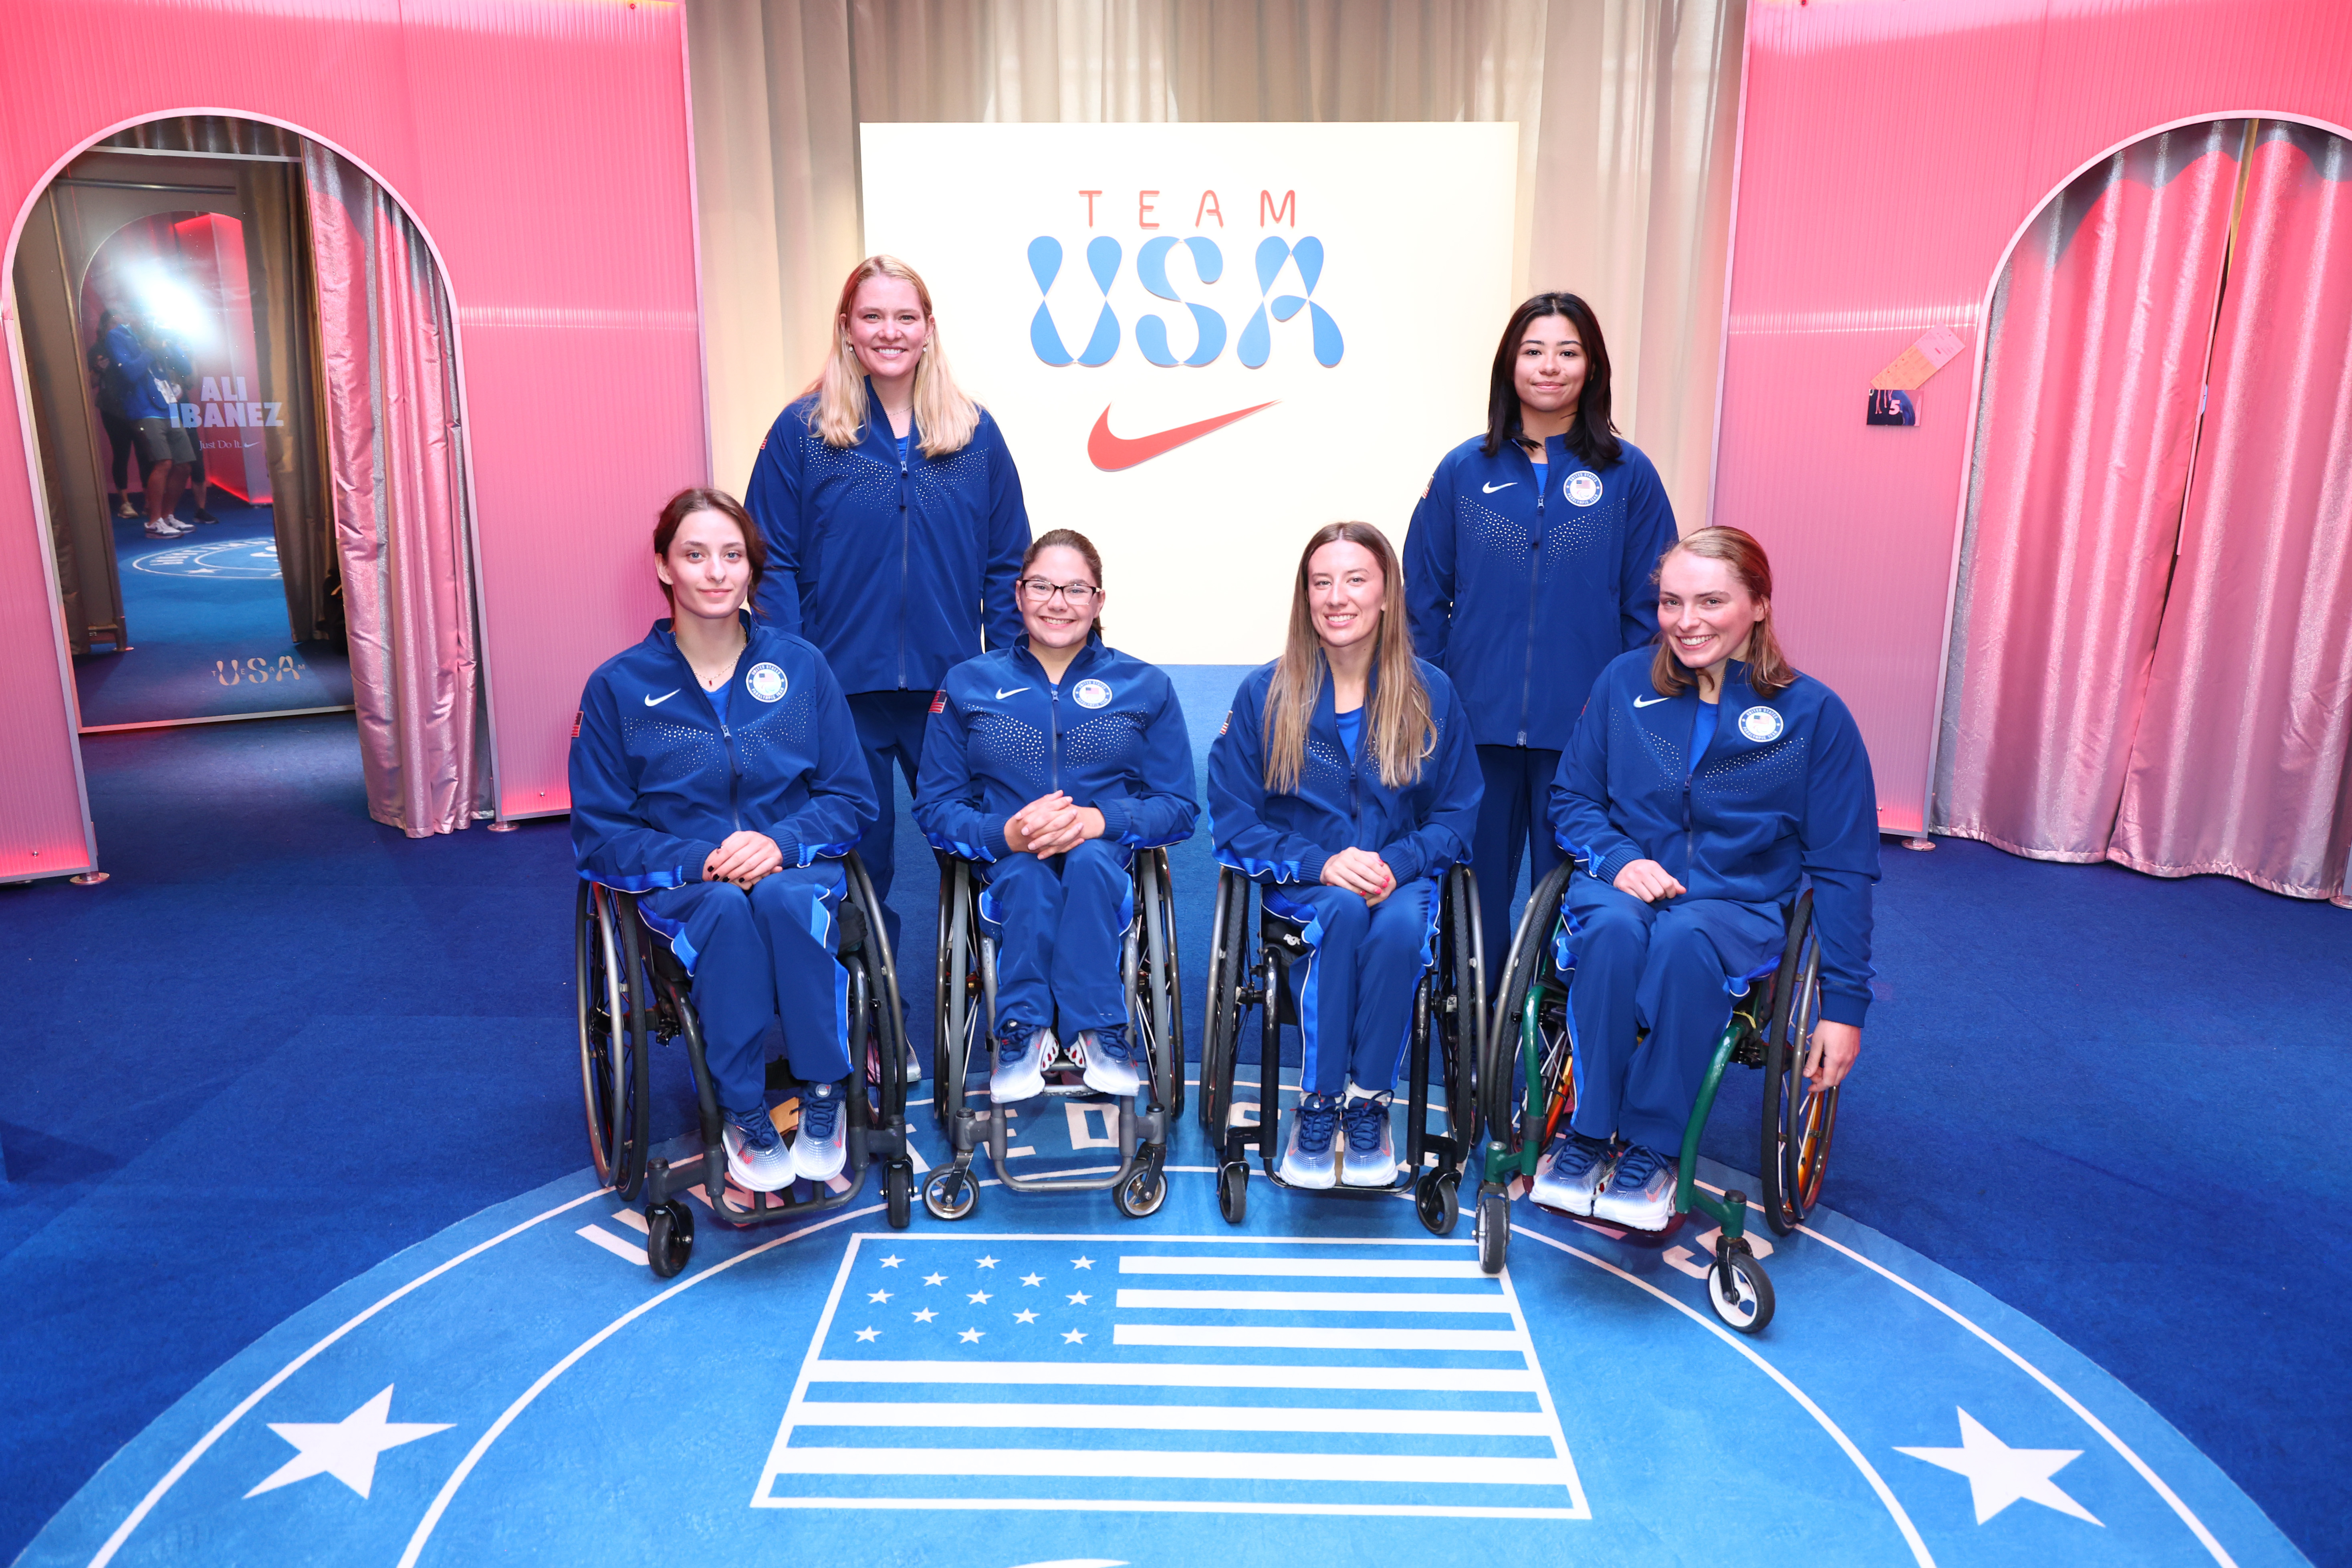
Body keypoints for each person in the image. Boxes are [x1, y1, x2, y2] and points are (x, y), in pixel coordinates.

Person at [1536, 526, 1879, 1230]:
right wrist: (1618, 858)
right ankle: (1591, 1128)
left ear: (1759, 603)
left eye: (1711, 601)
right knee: (1609, 931)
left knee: (1687, 939)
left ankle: (1654, 1144)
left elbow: (1842, 867)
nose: (1686, 621)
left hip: (1737, 902)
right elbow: (1572, 797)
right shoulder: (1625, 683)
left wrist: (1844, 1008)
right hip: (1623, 878)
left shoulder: (1813, 716)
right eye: (1670, 602)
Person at [569, 488, 880, 1192]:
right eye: (696, 554)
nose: (716, 572)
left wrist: (781, 842)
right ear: (664, 567)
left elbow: (851, 797)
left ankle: (825, 1091)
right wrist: (697, 858)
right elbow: (599, 835)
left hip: (791, 864)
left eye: (732, 555)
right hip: (684, 880)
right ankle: (743, 1108)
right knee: (728, 912)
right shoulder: (618, 687)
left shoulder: (802, 668)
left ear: (751, 569)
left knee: (780, 901)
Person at [746, 254, 1031, 953]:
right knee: (858, 865)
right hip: (840, 692)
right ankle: (872, 1023)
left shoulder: (974, 434)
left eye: (905, 317)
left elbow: (1006, 564)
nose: (890, 332)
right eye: (872, 316)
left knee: (981, 853)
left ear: (929, 330)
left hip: (950, 689)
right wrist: (796, 672)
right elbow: (771, 560)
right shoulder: (802, 432)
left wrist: (1006, 673)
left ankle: (999, 1000)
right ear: (847, 328)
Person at [1404, 292, 1680, 973]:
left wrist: (1623, 711)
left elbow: (1652, 612)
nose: (1549, 367)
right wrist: (1434, 704)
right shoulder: (1464, 469)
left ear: (1592, 367)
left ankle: (1552, 1031)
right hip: (1476, 725)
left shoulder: (1629, 474)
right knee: (1474, 890)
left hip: (1584, 732)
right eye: (1534, 351)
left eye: (1568, 351)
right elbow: (1424, 600)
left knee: (1573, 892)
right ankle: (1479, 1027)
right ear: (1509, 363)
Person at [1208, 523, 1481, 1190]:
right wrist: (1320, 862)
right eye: (1321, 582)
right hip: (1305, 883)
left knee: (1392, 926)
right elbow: (1234, 817)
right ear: (1305, 597)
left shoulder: (1431, 692)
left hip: (1400, 875)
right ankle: (1318, 1102)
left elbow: (1457, 812)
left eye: (1356, 579)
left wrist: (1399, 860)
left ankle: (1369, 1105)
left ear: (1387, 592)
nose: (1338, 597)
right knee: (1343, 913)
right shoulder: (1265, 695)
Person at [915, 528, 1198, 1103]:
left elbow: (1179, 807)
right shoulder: (967, 685)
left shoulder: (1145, 686)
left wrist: (1101, 820)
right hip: (1006, 870)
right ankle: (1022, 1033)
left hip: (1106, 865)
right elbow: (936, 807)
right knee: (1025, 874)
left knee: (1092, 861)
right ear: (1018, 595)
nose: (1057, 601)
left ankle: (1099, 1032)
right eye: (1042, 585)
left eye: (1075, 588)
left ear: (1098, 601)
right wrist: (1007, 833)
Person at [104, 311, 194, 540]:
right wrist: (151, 349)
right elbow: (131, 372)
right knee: (164, 462)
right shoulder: (118, 336)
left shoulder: (161, 337)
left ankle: (168, 515)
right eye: (147, 316)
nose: (152, 321)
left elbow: (186, 368)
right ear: (133, 316)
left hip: (169, 406)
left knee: (184, 465)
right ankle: (154, 521)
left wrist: (172, 343)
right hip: (143, 408)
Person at [86, 310, 142, 520]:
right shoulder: (98, 350)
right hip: (113, 410)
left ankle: (150, 502)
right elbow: (88, 384)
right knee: (122, 453)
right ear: (104, 326)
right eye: (114, 323)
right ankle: (125, 503)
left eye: (122, 323)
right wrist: (99, 371)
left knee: (146, 453)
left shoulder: (133, 346)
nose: (119, 327)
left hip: (138, 407)